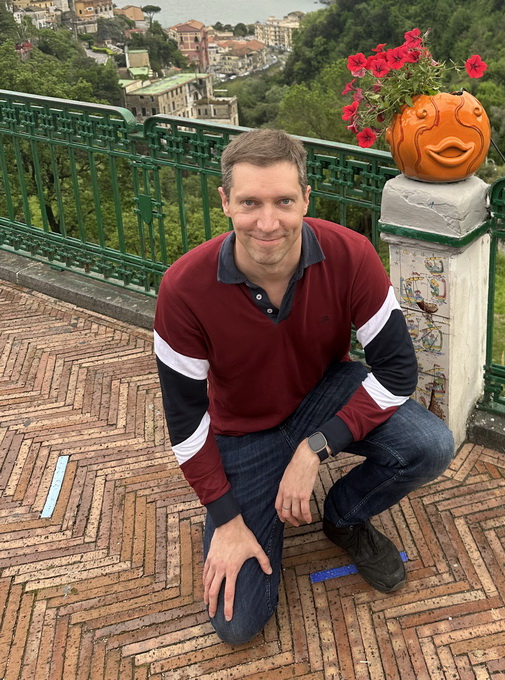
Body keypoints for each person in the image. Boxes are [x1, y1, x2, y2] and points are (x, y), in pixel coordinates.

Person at [154, 128, 454, 644]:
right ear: (225, 201)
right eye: (250, 202)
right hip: (243, 432)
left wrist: (317, 446)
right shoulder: (184, 289)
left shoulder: (350, 255)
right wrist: (225, 518)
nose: (267, 222)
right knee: (236, 625)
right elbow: (186, 423)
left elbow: (398, 371)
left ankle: (344, 517)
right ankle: (258, 510)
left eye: (284, 201)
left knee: (431, 446)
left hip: (323, 392)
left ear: (306, 200)